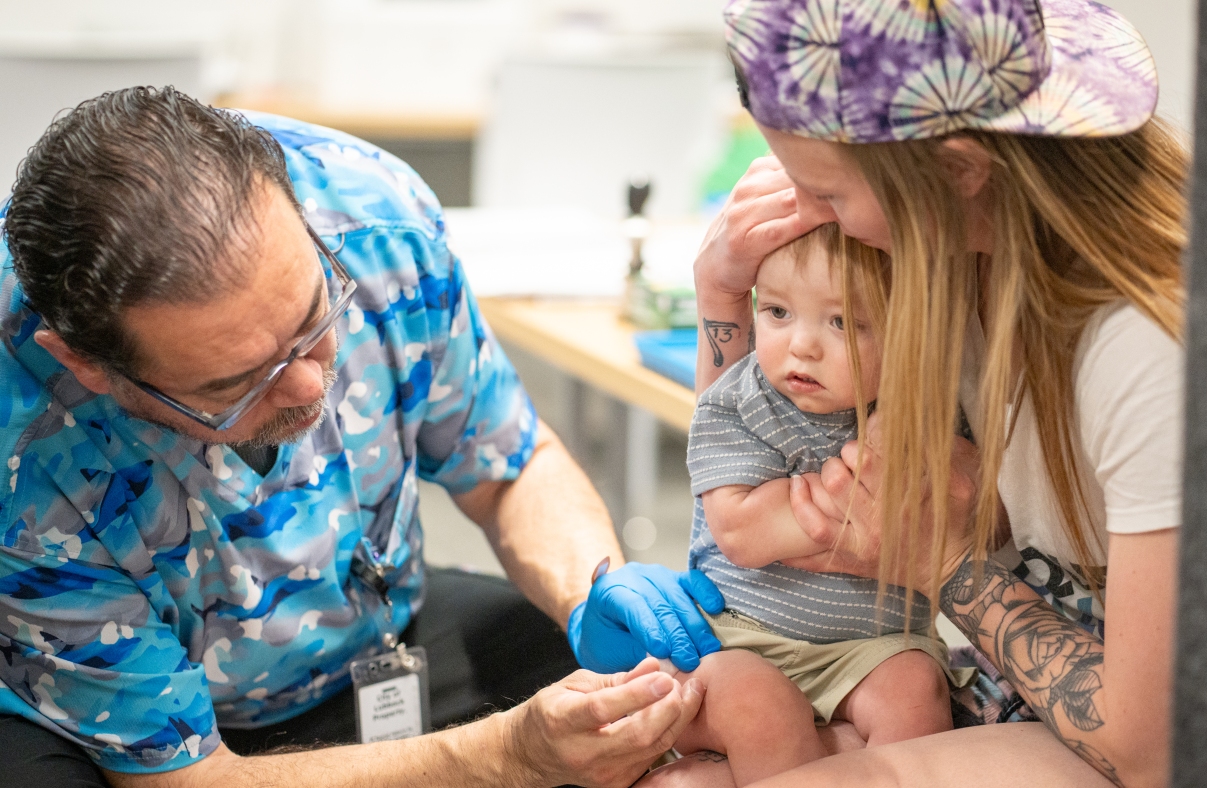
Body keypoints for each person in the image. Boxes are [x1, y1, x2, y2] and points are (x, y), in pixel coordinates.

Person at [0, 86, 722, 788]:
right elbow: (188, 779)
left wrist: (588, 594)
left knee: (629, 701)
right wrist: (508, 758)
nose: (309, 387)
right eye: (237, 385)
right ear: (86, 365)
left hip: (372, 634)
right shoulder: (20, 443)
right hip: (118, 721)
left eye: (315, 318)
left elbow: (508, 467)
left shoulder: (375, 216)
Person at [647, 0, 1186, 785]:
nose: (807, 216)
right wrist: (722, 293)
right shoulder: (946, 259)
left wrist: (946, 559)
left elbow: (1145, 745)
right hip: (1015, 683)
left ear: (960, 172)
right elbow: (756, 439)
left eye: (828, 194)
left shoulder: (1144, 348)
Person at [674, 224, 967, 785]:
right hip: (738, 637)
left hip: (873, 647)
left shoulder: (928, 412)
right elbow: (741, 532)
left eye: (843, 322)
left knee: (916, 691)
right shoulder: (737, 400)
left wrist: (804, 503)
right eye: (777, 312)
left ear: (911, 335)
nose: (802, 346)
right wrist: (874, 493)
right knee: (760, 707)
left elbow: (954, 516)